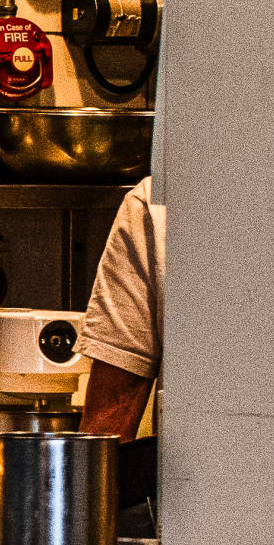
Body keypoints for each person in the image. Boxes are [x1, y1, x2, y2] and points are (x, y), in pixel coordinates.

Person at [79, 177, 161, 441]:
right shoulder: (155, 200)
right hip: (193, 475)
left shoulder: (155, 200)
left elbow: (109, 420)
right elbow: (108, 425)